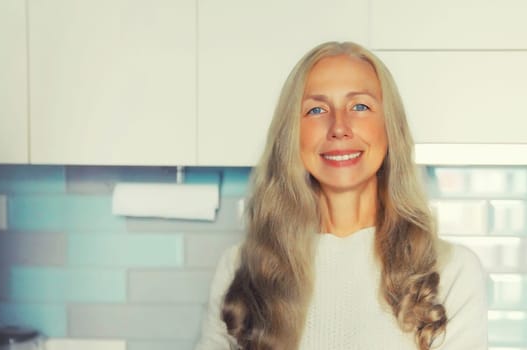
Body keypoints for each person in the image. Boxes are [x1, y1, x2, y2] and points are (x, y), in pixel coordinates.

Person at [195, 41, 488, 350]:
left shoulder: (451, 272)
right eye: (316, 109)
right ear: (291, 134)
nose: (339, 128)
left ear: (390, 128)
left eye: (360, 107)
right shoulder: (240, 269)